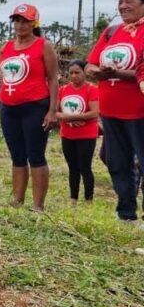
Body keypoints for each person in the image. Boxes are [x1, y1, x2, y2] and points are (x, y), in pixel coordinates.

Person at [0, 4, 59, 212]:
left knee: (36, 156)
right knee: (17, 156)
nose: (20, 25)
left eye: (26, 21)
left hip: (35, 107)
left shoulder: (43, 46)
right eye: (17, 21)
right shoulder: (7, 47)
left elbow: (53, 79)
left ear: (34, 23)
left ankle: (38, 205)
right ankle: (17, 200)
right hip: (9, 108)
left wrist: (52, 110)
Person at [86, 0, 144, 223]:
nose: (123, 6)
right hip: (111, 112)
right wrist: (98, 71)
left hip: (139, 111)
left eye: (129, 1)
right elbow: (90, 64)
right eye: (120, 2)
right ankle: (126, 213)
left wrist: (121, 74)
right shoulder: (111, 32)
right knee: (117, 162)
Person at [57, 60, 99, 202]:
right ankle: (73, 198)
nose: (74, 76)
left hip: (86, 135)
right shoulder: (62, 90)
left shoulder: (91, 89)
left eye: (77, 73)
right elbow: (55, 111)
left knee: (85, 167)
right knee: (72, 168)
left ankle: (88, 199)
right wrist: (67, 118)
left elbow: (95, 113)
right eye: (71, 73)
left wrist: (71, 117)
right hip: (67, 134)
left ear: (84, 73)